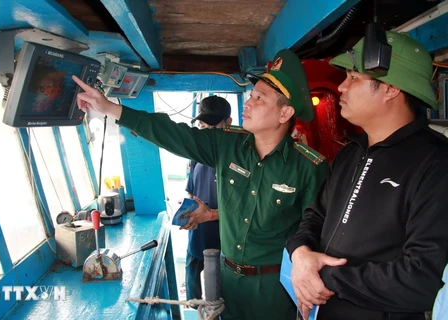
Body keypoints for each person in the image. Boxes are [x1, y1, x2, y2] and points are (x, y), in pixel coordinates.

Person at [72, 48, 327, 320]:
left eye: (259, 98)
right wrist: (110, 108)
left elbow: (316, 233)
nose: (249, 103)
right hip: (227, 282)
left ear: (285, 113)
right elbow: (171, 134)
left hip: (274, 290)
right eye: (251, 96)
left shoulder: (309, 167)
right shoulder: (226, 144)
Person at [286, 31, 448, 320]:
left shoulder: (435, 163)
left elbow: (422, 278)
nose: (342, 87)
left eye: (354, 78)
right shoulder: (351, 153)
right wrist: (300, 253)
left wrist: (323, 277)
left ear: (391, 89)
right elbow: (316, 216)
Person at [182, 96, 232, 302]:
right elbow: (190, 192)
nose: (207, 131)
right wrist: (186, 214)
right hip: (198, 235)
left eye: (213, 125)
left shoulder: (237, 156)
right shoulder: (196, 154)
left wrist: (211, 215)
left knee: (223, 294)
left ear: (227, 123)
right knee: (194, 291)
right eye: (203, 125)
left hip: (226, 240)